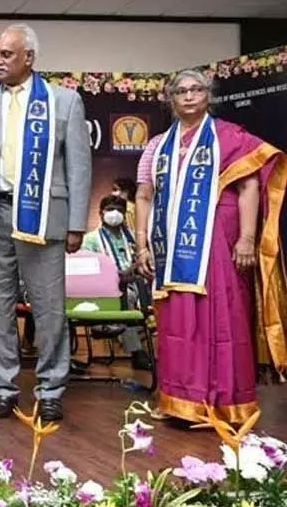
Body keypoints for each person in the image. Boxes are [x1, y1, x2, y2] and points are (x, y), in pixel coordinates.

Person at [0, 23, 92, 422]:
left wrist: (77, 222)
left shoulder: (63, 101)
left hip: (44, 215)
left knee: (48, 309)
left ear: (28, 58)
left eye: (6, 55)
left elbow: (80, 166)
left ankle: (51, 389)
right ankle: (2, 387)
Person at [135, 69, 287, 424]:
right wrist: (142, 245)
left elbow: (249, 186)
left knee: (221, 318)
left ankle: (224, 403)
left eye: (196, 90)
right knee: (178, 321)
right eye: (180, 91)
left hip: (220, 242)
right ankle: (179, 401)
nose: (188, 96)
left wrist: (247, 238)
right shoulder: (157, 146)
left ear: (209, 95)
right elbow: (145, 195)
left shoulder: (230, 138)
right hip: (172, 249)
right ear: (171, 100)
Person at [80, 194, 152, 371]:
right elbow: (87, 269)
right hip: (103, 288)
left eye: (119, 210)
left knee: (135, 294)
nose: (115, 213)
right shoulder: (90, 239)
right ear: (100, 213)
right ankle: (136, 352)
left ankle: (115, 327)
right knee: (125, 297)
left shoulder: (131, 239)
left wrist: (137, 266)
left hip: (134, 284)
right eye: (110, 209)